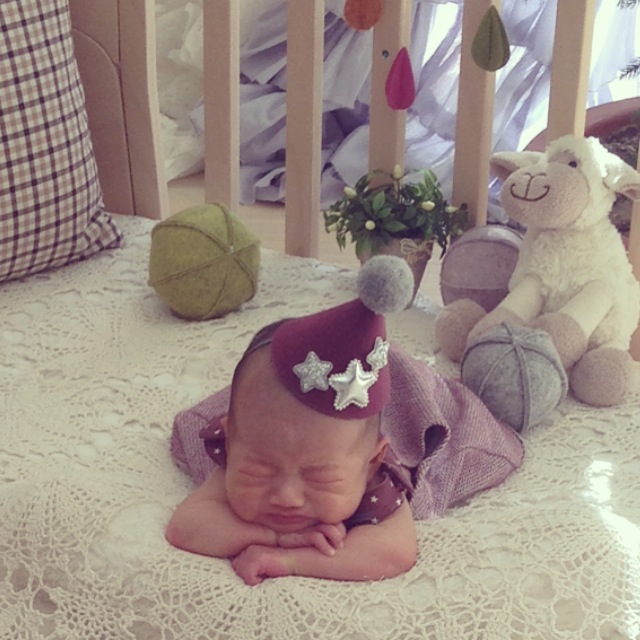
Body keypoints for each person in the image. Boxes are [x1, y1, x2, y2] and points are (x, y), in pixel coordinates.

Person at [166, 256, 524, 585]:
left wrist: (291, 561)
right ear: (230, 443)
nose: (286, 497)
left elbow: (393, 553)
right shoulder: (252, 446)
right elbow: (187, 527)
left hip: (394, 399)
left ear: (372, 463)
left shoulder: (377, 482)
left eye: (319, 477)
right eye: (260, 471)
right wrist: (277, 537)